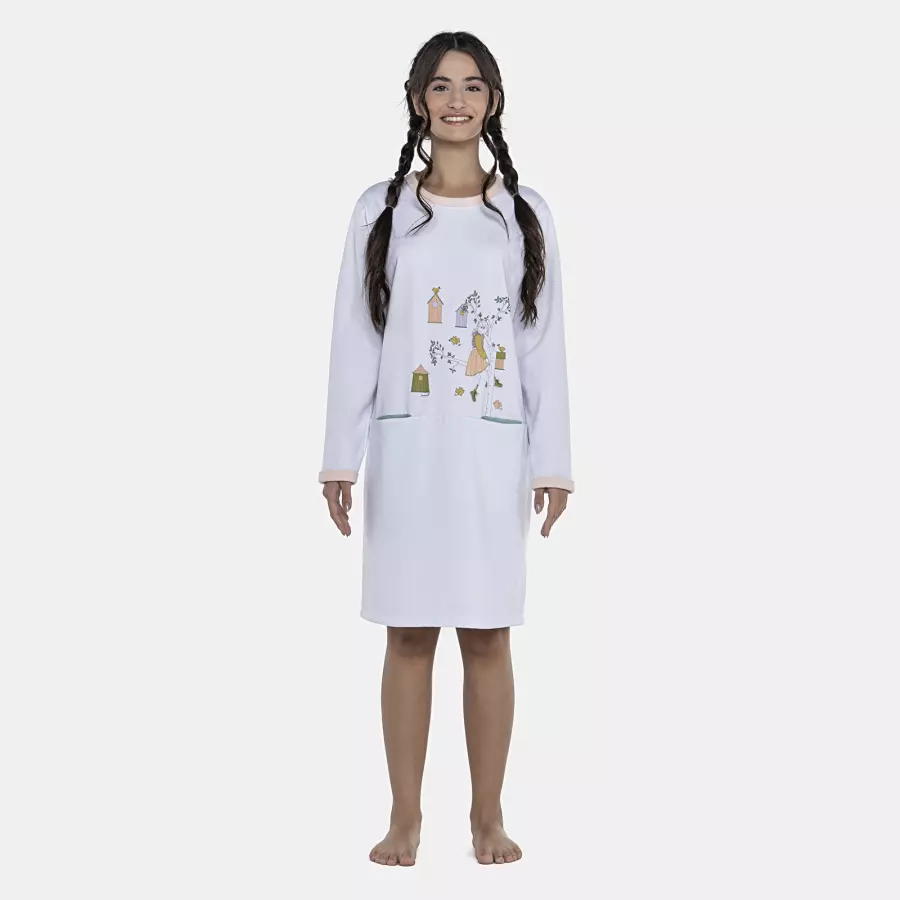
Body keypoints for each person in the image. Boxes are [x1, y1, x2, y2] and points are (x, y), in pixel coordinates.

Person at [318, 31, 575, 866]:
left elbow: (541, 344)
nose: (455, 100)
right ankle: (405, 817)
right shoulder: (381, 212)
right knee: (407, 633)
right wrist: (341, 455)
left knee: (489, 635)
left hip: (491, 458)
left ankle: (487, 816)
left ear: (493, 101)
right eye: (439, 85)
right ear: (417, 101)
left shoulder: (522, 216)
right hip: (408, 455)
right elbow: (356, 334)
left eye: (471, 85)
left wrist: (552, 461)